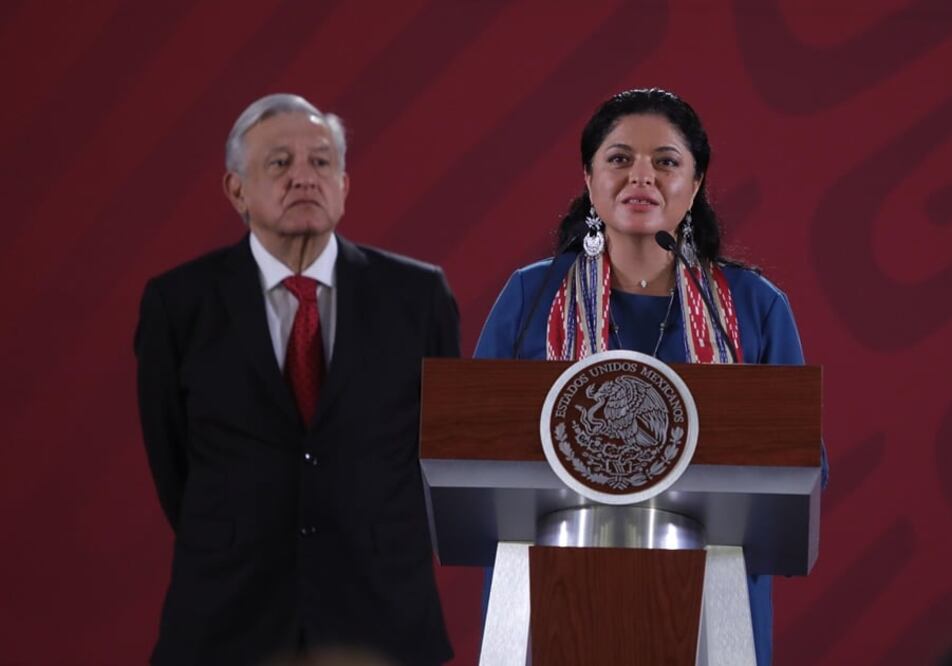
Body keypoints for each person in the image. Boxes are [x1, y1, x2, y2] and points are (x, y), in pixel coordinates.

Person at [474, 88, 828, 665]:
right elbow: (473, 446)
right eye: (619, 159)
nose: (642, 176)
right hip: (554, 591)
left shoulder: (752, 306)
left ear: (695, 184)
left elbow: (802, 464)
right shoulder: (531, 296)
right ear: (589, 180)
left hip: (712, 601)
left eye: (665, 161)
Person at [135, 93, 457, 666]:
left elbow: (439, 447)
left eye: (321, 162)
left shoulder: (417, 296)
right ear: (237, 189)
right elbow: (172, 459)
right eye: (279, 163)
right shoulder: (178, 303)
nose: (303, 178)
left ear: (344, 185)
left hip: (382, 613)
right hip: (228, 614)